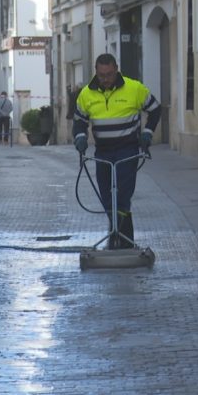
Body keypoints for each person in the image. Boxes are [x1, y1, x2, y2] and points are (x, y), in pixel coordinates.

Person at [73, 53, 161, 249]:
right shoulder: (86, 94)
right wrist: (80, 137)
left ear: (116, 70)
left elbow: (155, 109)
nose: (105, 79)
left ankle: (121, 239)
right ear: (96, 72)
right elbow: (79, 121)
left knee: (122, 195)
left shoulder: (134, 88)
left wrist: (147, 133)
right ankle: (120, 236)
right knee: (106, 195)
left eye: (109, 75)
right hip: (103, 152)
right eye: (102, 75)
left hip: (127, 150)